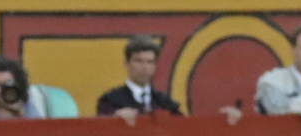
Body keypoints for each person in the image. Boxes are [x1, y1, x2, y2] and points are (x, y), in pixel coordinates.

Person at [97, 35, 241, 126]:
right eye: (138, 61)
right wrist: (114, 119)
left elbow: (188, 129)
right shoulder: (110, 101)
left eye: (149, 62)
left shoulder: (166, 103)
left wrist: (219, 121)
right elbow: (100, 131)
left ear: (155, 66)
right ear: (126, 64)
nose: (144, 67)